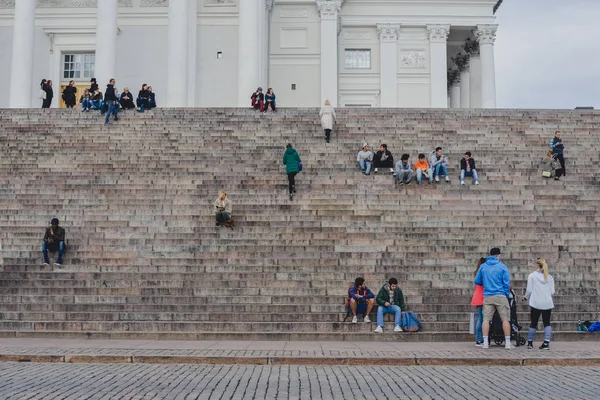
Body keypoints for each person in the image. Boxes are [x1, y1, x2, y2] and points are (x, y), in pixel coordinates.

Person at [474, 247, 514, 349]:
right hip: (500, 295)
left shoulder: (483, 267)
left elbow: (477, 281)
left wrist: (486, 283)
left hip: (488, 295)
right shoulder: (502, 267)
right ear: (498, 255)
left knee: (486, 320)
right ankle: (508, 343)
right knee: (505, 319)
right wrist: (506, 293)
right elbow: (506, 283)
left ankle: (486, 342)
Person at [522, 258, 555, 350]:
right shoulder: (550, 277)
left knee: (533, 323)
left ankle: (530, 343)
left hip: (536, 302)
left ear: (537, 265)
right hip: (547, 303)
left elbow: (529, 290)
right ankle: (546, 343)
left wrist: (525, 297)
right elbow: (552, 292)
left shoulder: (532, 276)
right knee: (547, 323)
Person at [471, 257, 487, 346]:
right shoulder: (483, 273)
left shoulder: (476, 272)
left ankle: (479, 338)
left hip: (478, 296)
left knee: (480, 318)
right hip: (483, 297)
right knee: (482, 318)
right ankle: (480, 338)